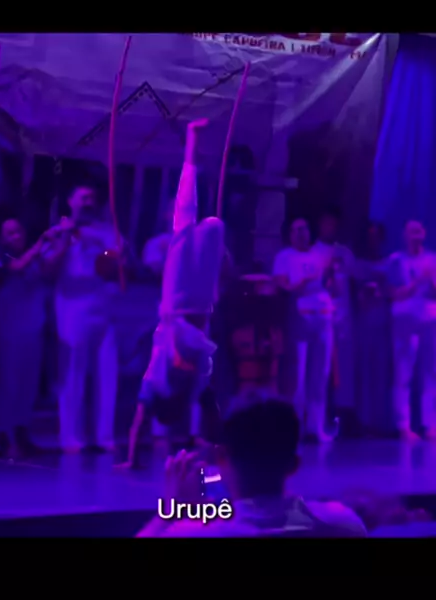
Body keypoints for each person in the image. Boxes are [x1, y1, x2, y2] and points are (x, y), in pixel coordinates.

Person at [115, 118, 225, 468]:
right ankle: (195, 153)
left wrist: (130, 459)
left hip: (177, 304)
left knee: (184, 223)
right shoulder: (195, 383)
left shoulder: (155, 380)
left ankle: (191, 145)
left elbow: (138, 422)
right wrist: (216, 450)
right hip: (200, 305)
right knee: (213, 226)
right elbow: (211, 412)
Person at [136, 398, 367, 537]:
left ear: (222, 457)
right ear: (294, 465)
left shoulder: (191, 533)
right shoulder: (343, 525)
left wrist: (170, 512)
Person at [48, 183, 122, 453]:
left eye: (92, 197)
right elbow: (48, 268)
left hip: (104, 308)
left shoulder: (109, 232)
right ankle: (71, 436)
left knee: (107, 373)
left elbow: (122, 266)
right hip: (72, 308)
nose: (89, 202)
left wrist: (113, 258)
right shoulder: (58, 231)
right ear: (71, 201)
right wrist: (66, 238)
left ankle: (104, 436)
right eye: (83, 197)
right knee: (72, 374)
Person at [0, 218, 54, 458]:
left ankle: (21, 432)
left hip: (33, 329)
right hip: (8, 331)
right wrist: (40, 244)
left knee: (28, 384)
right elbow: (16, 268)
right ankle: (2, 434)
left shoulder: (36, 257)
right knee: (8, 383)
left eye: (18, 231)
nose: (15, 236)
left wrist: (58, 242)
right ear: (2, 238)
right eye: (10, 233)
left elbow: (50, 271)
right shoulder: (0, 257)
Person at [273, 217, 333, 441]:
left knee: (320, 373)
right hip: (300, 318)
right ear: (290, 234)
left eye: (304, 228)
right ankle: (295, 426)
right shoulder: (284, 257)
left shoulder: (319, 255)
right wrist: (302, 283)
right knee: (298, 374)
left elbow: (330, 284)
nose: (301, 233)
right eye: (296, 230)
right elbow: (282, 285)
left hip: (323, 318)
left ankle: (315, 427)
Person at [387, 220, 436, 440]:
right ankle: (403, 424)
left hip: (429, 319)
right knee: (403, 372)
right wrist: (416, 282)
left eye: (419, 231)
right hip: (404, 320)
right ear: (404, 235)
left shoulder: (432, 260)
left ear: (424, 234)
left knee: (430, 373)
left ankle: (429, 424)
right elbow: (393, 292)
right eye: (411, 232)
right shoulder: (397, 260)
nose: (416, 236)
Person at [312, 207, 357, 434]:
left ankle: (343, 417)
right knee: (322, 370)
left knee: (345, 370)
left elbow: (357, 278)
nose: (330, 227)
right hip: (322, 318)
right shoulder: (313, 253)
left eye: (333, 224)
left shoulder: (345, 253)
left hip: (344, 319)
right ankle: (320, 419)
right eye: (326, 223)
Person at [354, 222, 392, 435]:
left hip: (383, 322)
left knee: (382, 372)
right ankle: (364, 420)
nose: (373, 240)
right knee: (365, 371)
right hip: (363, 322)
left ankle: (381, 421)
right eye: (370, 236)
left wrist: (382, 290)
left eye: (376, 236)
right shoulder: (357, 265)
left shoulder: (389, 263)